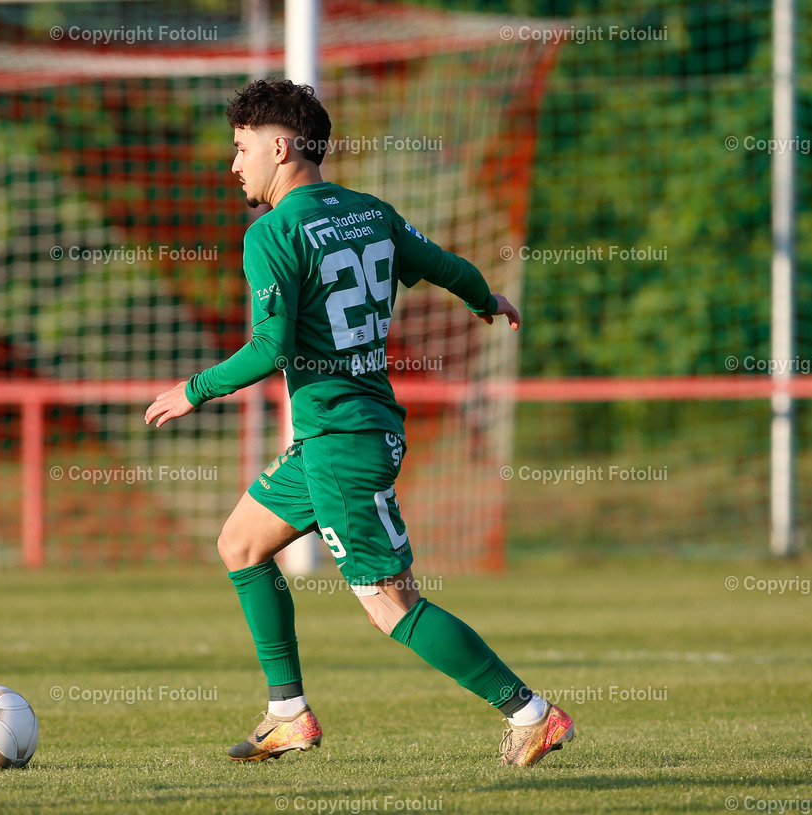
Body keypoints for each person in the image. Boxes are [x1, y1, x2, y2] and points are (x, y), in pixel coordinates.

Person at [144, 78, 573, 767]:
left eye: (241, 148)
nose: (234, 165)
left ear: (280, 147)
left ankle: (532, 712)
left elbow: (270, 348)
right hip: (344, 432)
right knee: (242, 542)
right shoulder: (370, 211)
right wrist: (484, 297)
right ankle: (287, 712)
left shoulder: (273, 232)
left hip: (343, 441)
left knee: (391, 605)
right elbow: (442, 264)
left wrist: (195, 389)